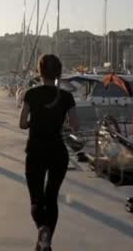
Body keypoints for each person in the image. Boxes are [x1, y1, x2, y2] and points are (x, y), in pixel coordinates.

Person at [18, 54, 79, 251]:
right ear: (58, 72)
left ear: (39, 71)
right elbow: (75, 126)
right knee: (51, 197)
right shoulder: (67, 97)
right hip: (57, 151)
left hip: (36, 150)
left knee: (36, 199)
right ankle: (46, 241)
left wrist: (32, 123)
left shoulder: (31, 94)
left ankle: (42, 229)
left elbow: (22, 123)